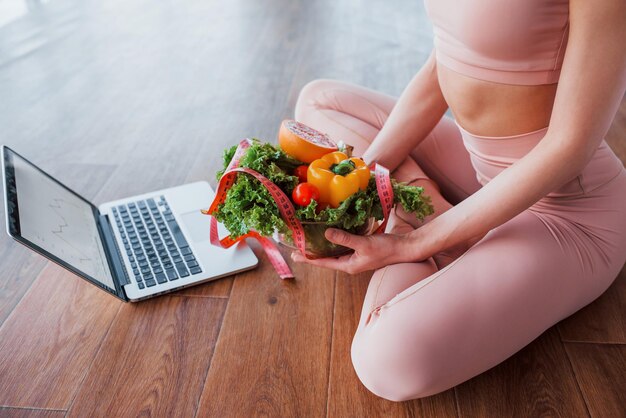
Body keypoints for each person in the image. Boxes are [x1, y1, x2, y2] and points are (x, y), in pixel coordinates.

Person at [291, 0, 626, 401]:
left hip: (566, 215)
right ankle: (423, 207)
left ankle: (419, 222)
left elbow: (569, 146)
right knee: (319, 104)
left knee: (388, 361)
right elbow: (444, 63)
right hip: (481, 174)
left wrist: (412, 241)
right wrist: (365, 184)